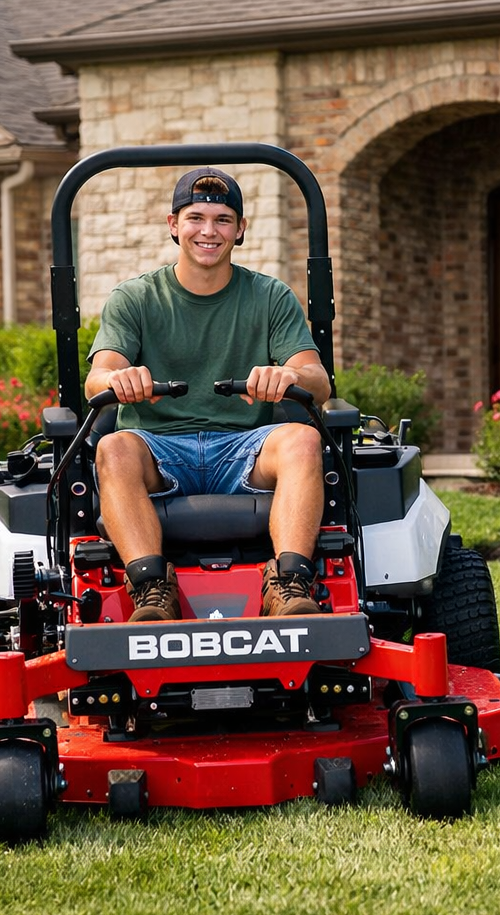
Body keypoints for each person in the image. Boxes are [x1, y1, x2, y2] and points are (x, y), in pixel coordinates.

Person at [85, 167, 333, 623]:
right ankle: (152, 591)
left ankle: (290, 584)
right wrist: (121, 380)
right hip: (159, 448)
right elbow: (97, 379)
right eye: (196, 217)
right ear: (174, 224)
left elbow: (317, 380)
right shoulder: (135, 298)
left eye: (222, 220)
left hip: (245, 446)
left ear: (240, 229)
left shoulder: (270, 296)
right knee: (113, 446)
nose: (208, 230)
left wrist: (286, 375)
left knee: (302, 439)